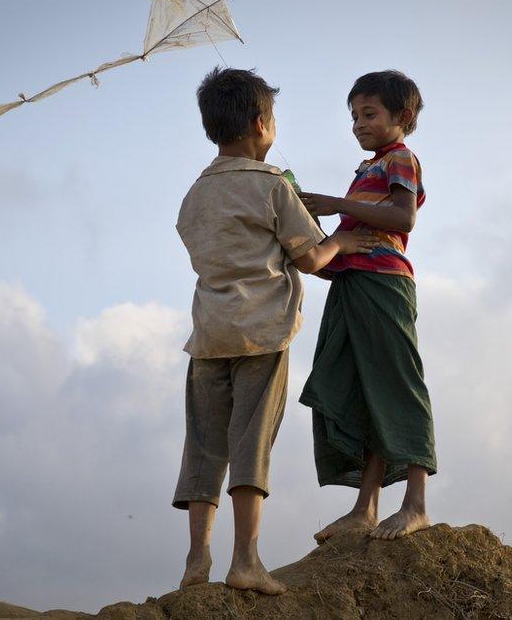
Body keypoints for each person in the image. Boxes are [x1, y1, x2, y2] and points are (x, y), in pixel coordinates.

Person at [172, 67, 377, 595]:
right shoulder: (271, 186)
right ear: (263, 123)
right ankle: (246, 560)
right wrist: (344, 245)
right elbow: (310, 258)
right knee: (250, 445)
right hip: (262, 333)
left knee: (202, 447)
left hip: (208, 336)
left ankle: (197, 561)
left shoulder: (193, 195)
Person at [298, 70, 436, 543]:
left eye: (369, 113)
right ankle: (365, 508)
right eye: (354, 115)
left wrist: (334, 203)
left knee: (396, 385)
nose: (358, 123)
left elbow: (402, 217)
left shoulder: (400, 158)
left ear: (404, 116)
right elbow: (347, 242)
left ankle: (415, 504)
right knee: (363, 391)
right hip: (353, 287)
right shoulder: (367, 169)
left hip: (384, 286)